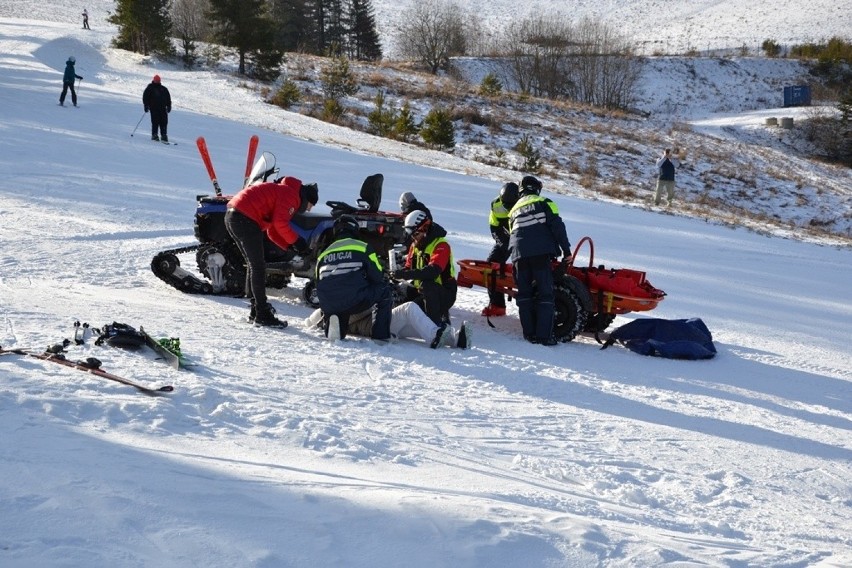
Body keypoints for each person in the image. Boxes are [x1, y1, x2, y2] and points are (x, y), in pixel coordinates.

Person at [225, 176, 319, 327]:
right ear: (306, 198)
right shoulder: (291, 195)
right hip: (244, 218)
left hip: (233, 215)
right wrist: (299, 243)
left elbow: (272, 232)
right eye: (310, 205)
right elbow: (280, 223)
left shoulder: (283, 191)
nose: (308, 209)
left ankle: (257, 310)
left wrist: (290, 247)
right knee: (258, 266)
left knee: (254, 265)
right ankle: (262, 313)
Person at [508, 175, 571, 346]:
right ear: (537, 188)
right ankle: (544, 336)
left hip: (518, 256)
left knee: (524, 295)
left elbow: (512, 234)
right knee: (545, 294)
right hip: (540, 254)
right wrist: (566, 251)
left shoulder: (513, 210)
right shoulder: (545, 202)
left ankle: (529, 334)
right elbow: (558, 227)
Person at [315, 215, 393, 342]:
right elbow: (377, 276)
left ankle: (333, 326)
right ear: (354, 229)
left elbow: (317, 281)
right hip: (354, 298)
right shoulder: (363, 247)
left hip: (328, 302)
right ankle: (381, 336)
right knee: (384, 291)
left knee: (339, 305)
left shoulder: (323, 254)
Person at [305, 301, 472, 349]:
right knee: (409, 308)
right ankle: (435, 336)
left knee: (417, 324)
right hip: (374, 326)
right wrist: (373, 299)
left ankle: (455, 341)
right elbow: (353, 316)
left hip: (381, 321)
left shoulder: (342, 302)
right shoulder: (332, 312)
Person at [393, 210, 457, 326]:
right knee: (399, 290)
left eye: (415, 234)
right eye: (410, 234)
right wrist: (396, 273)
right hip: (421, 291)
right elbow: (408, 268)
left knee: (427, 286)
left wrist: (407, 274)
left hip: (444, 292)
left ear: (425, 229)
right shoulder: (415, 246)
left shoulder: (441, 245)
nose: (413, 238)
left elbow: (433, 271)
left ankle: (436, 325)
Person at [480, 182, 519, 317]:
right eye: (505, 204)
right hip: (506, 239)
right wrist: (502, 243)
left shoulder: (525, 203)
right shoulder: (496, 205)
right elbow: (494, 227)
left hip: (523, 241)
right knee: (491, 266)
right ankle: (497, 305)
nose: (507, 207)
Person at [142, 75, 171, 142]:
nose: (157, 81)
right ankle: (154, 134)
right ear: (154, 80)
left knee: (164, 122)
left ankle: (164, 135)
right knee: (155, 121)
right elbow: (145, 97)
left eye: (158, 80)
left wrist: (169, 106)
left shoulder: (164, 89)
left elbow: (168, 98)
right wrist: (146, 105)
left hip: (163, 108)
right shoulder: (150, 88)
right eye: (156, 80)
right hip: (154, 108)